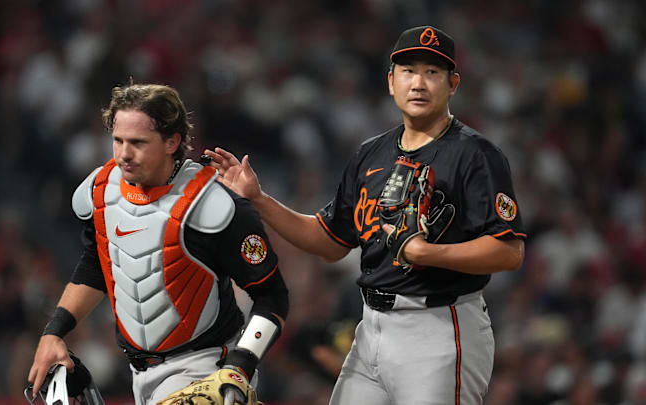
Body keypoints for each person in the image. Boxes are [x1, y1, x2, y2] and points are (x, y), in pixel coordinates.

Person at [206, 25, 526, 405]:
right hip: (371, 326)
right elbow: (328, 243)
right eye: (408, 71)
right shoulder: (370, 154)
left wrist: (427, 254)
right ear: (391, 82)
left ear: (453, 83)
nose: (419, 83)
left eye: (432, 72)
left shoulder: (476, 155)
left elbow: (509, 252)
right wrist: (258, 199)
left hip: (441, 327)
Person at [27, 83, 289, 405]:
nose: (124, 154)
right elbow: (97, 265)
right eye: (118, 140)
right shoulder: (100, 191)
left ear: (172, 142)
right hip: (137, 374)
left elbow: (272, 295)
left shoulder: (214, 205)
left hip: (205, 370)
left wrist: (242, 365)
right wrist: (54, 331)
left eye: (138, 142)